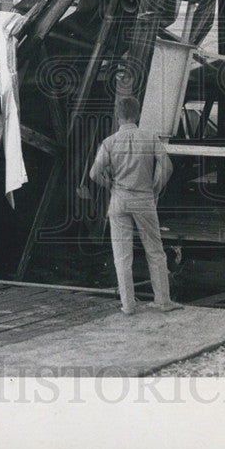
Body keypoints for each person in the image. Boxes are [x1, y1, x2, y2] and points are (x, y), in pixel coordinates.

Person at [89, 95, 181, 315]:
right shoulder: (150, 138)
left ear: (117, 115)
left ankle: (128, 305)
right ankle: (162, 301)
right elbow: (167, 167)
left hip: (119, 200)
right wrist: (156, 187)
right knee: (155, 251)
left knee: (122, 255)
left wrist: (110, 184)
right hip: (144, 199)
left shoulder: (109, 142)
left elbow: (94, 174)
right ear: (138, 114)